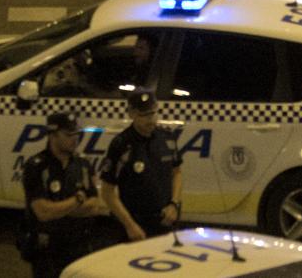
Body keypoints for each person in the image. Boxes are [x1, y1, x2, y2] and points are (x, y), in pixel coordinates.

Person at [21, 110, 111, 278]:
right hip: (48, 250)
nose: (75, 138)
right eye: (69, 134)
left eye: (76, 133)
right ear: (52, 135)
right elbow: (43, 212)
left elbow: (95, 206)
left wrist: (60, 209)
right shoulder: (36, 167)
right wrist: (77, 200)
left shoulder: (83, 165)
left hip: (79, 246)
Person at [100, 90, 183, 242]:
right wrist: (129, 225)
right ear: (131, 114)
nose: (150, 120)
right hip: (134, 226)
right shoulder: (122, 144)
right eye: (144, 115)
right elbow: (107, 192)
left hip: (164, 222)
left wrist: (174, 204)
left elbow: (176, 172)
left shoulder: (167, 138)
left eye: (153, 113)